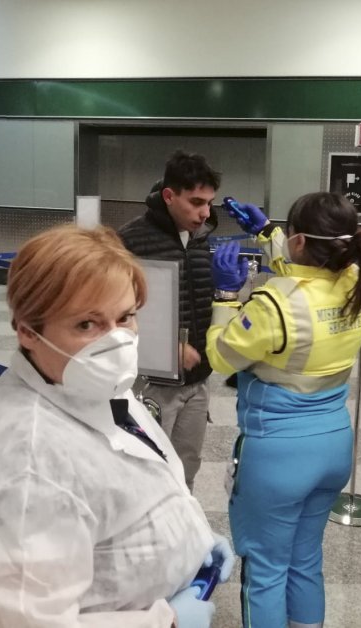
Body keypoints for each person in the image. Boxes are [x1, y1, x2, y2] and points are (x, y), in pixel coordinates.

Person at [0, 224, 232, 628]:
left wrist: (193, 540)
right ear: (28, 331)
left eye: (125, 317)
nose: (116, 342)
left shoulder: (89, 384)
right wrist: (168, 621)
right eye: (86, 325)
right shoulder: (24, 468)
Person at [206, 192, 361, 628]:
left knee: (265, 569)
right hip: (333, 445)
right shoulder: (356, 280)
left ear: (300, 239)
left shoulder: (274, 303)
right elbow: (305, 272)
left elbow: (221, 356)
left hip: (277, 454)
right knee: (305, 558)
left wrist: (226, 296)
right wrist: (268, 233)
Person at [118, 150, 221, 490]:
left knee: (186, 468)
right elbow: (111, 315)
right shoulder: (130, 241)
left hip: (198, 379)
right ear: (169, 196)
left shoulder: (203, 239)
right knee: (146, 468)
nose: (204, 212)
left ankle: (180, 529)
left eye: (209, 203)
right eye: (195, 202)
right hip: (151, 382)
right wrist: (161, 349)